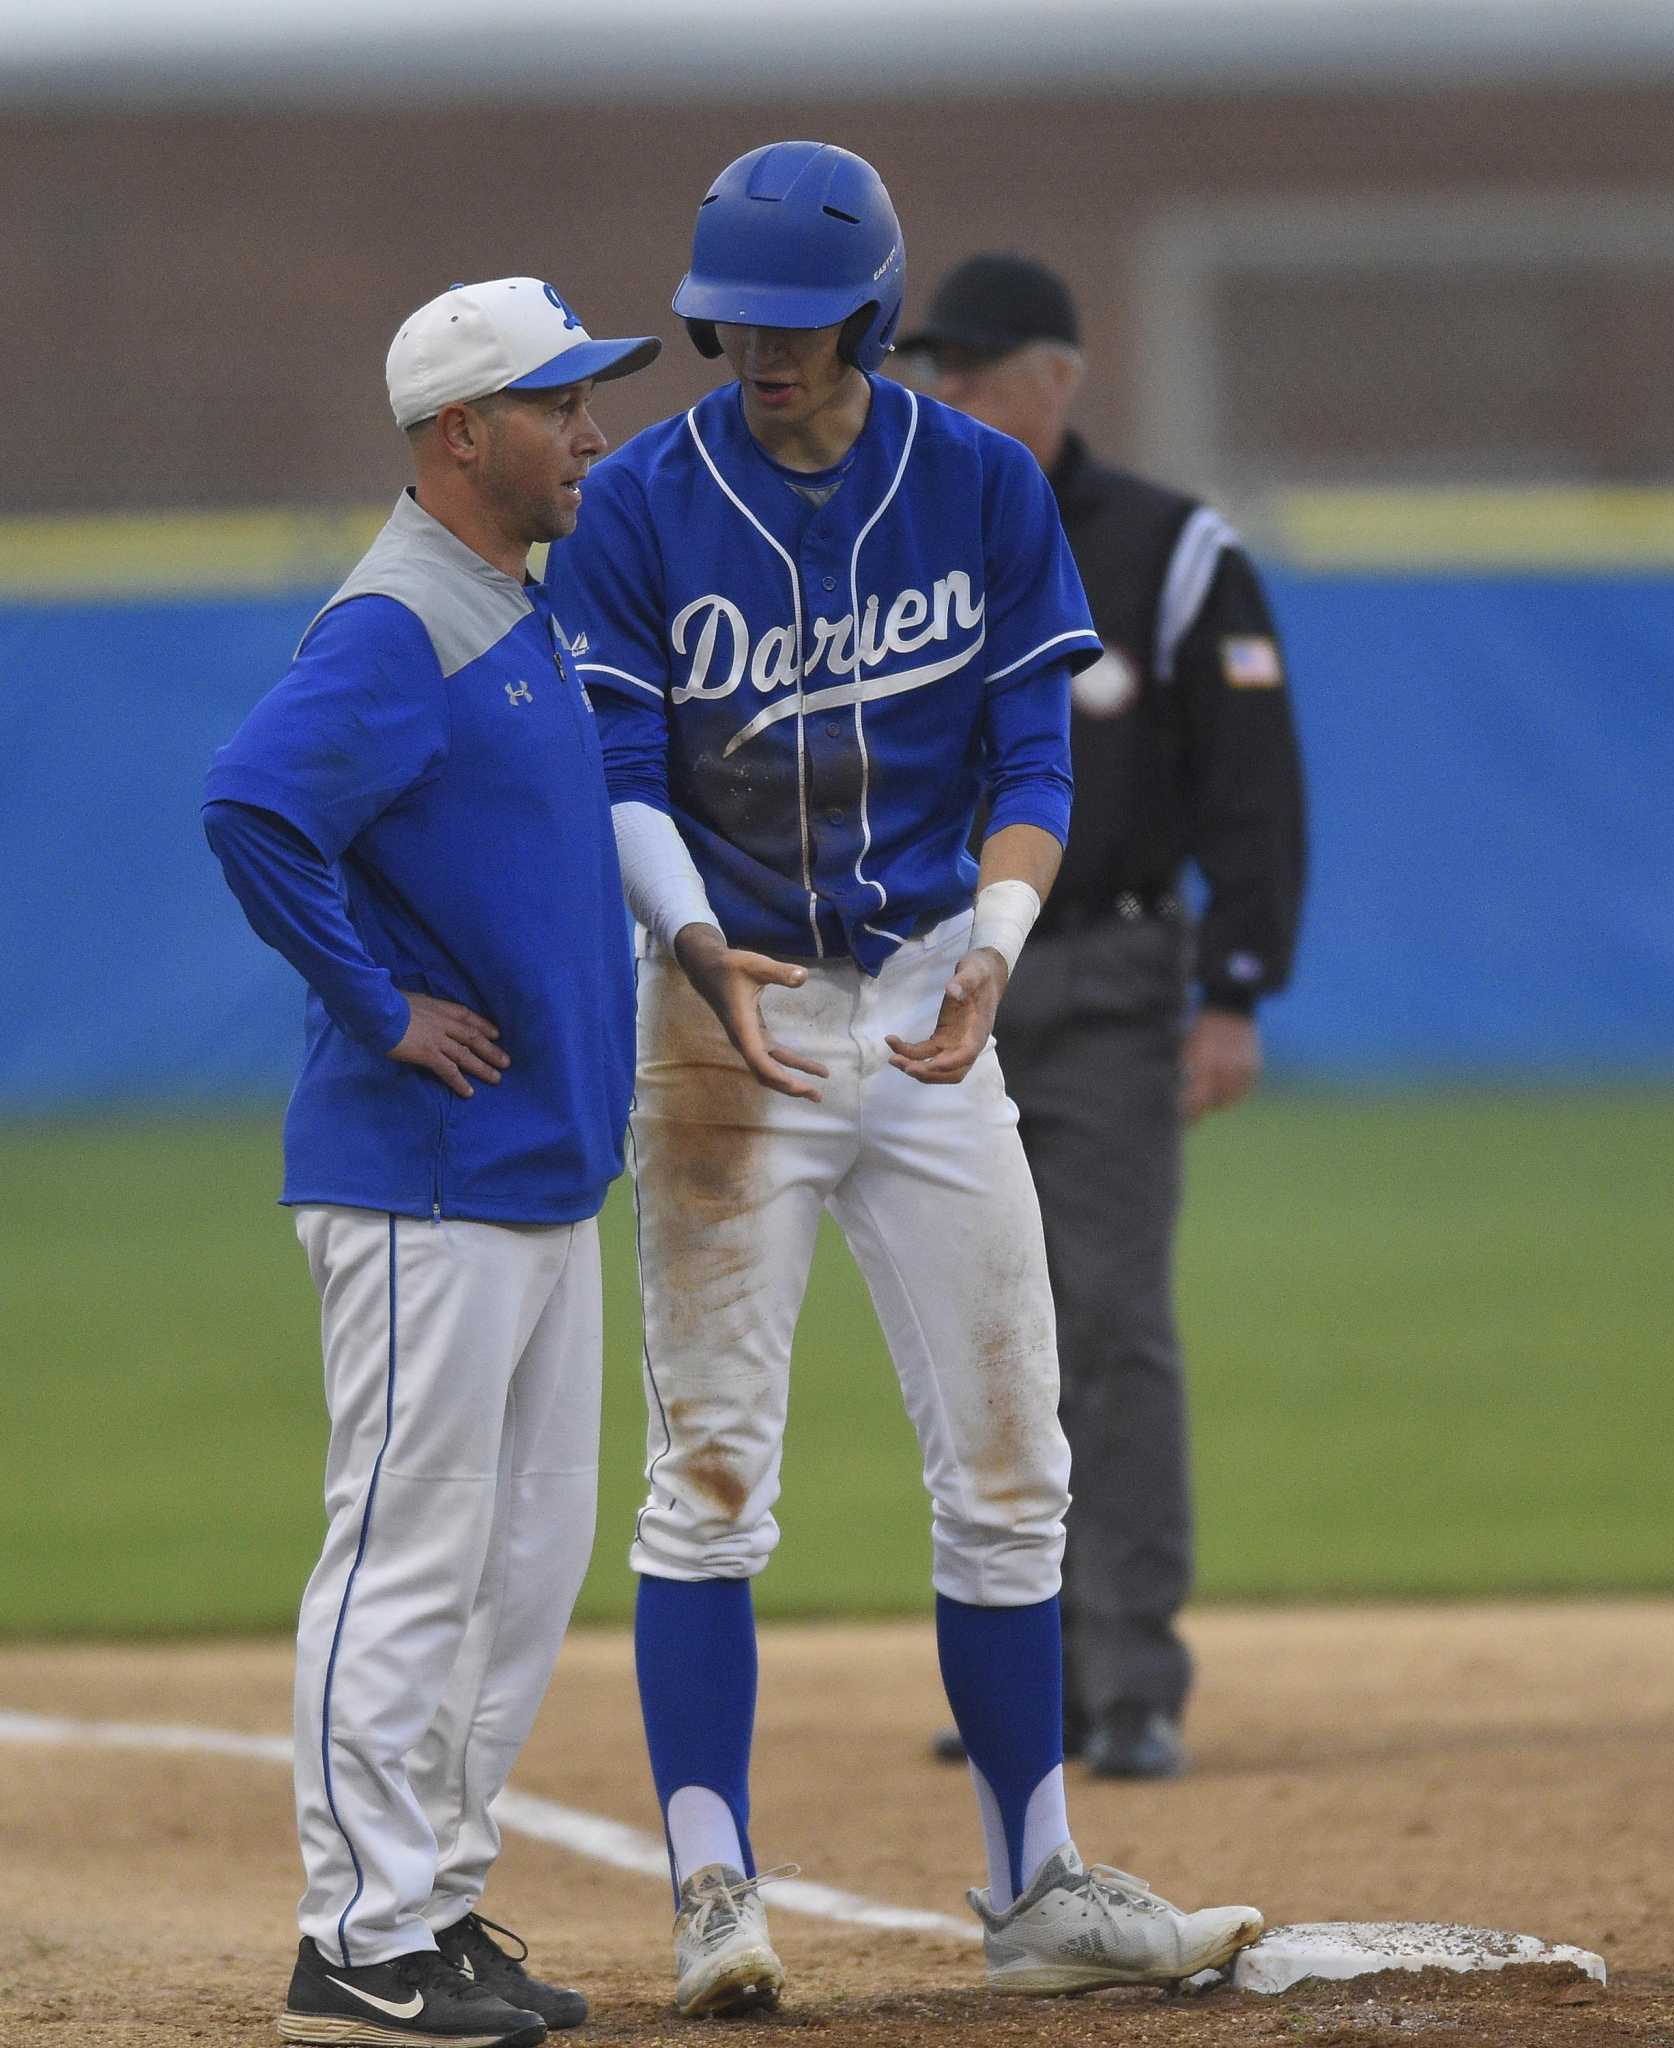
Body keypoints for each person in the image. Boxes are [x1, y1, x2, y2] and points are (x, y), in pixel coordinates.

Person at [546, 142, 1264, 2018]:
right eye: (730, 319)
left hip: (939, 983)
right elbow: (620, 776)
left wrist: (997, 966)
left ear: (868, 313)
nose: (757, 350)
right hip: (723, 1002)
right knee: (709, 1479)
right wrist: (699, 955)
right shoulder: (638, 502)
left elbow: (1038, 756)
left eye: (794, 320)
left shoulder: (974, 486)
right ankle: (716, 1891)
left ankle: (1033, 1881)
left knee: (1015, 1465)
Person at [202, 278, 661, 2048]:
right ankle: (355, 1940)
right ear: (462, 431)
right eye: (560, 403)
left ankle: (438, 1906)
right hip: (423, 1172)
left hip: (535, 1171)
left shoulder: (511, 609)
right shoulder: (400, 621)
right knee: (408, 1556)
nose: (594, 432)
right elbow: (252, 805)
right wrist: (382, 1004)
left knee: (526, 1559)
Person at [894, 255, 1307, 1780]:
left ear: (1058, 377)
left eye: (979, 366)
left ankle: (1131, 1679)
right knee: (980, 1336)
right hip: (936, 978)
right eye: (936, 368)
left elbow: (1252, 792)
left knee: (1111, 1326)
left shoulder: (1170, 551)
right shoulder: (906, 533)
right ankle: (1025, 1678)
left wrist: (1235, 994)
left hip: (1114, 978)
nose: (950, 394)